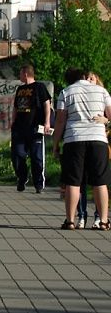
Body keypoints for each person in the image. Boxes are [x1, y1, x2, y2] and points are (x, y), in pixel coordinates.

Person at [53, 68, 111, 230]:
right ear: (85, 77)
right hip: (98, 139)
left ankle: (70, 220)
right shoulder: (102, 91)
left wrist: (56, 144)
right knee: (100, 182)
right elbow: (110, 115)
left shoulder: (66, 92)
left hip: (74, 140)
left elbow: (59, 122)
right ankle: (104, 221)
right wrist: (105, 121)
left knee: (73, 182)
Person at [10, 64, 52, 193]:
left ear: (26, 74)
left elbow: (46, 104)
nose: (19, 76)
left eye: (20, 73)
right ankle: (22, 178)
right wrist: (12, 122)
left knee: (36, 157)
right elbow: (16, 107)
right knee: (17, 155)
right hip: (19, 128)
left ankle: (38, 184)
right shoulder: (20, 89)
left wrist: (47, 122)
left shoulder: (39, 87)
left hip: (34, 128)